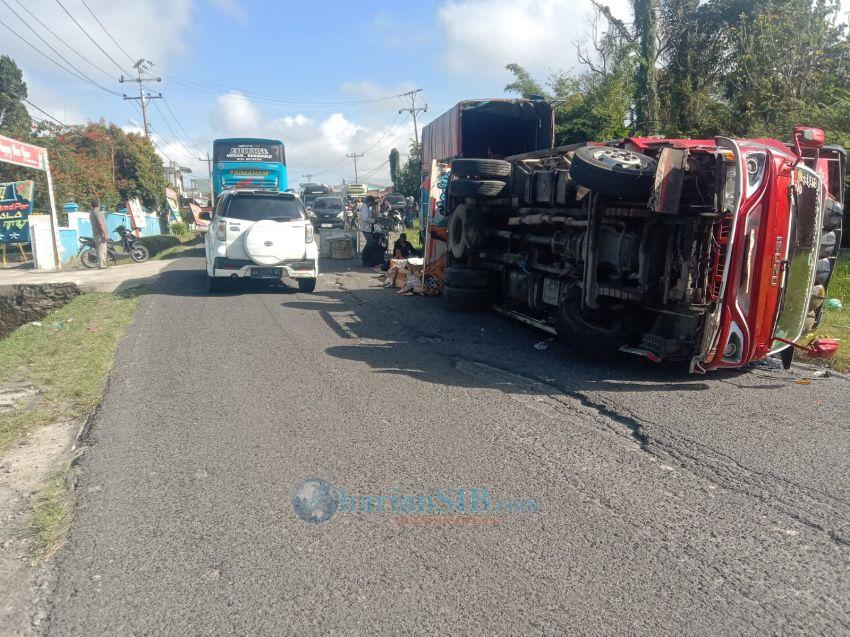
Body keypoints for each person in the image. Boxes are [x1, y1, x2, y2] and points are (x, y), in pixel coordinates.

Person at [89, 198, 109, 268]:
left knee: (98, 250)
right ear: (98, 205)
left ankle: (100, 264)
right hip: (100, 234)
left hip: (95, 234)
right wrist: (105, 233)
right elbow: (100, 223)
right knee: (102, 250)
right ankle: (102, 265)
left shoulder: (91, 213)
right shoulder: (97, 212)